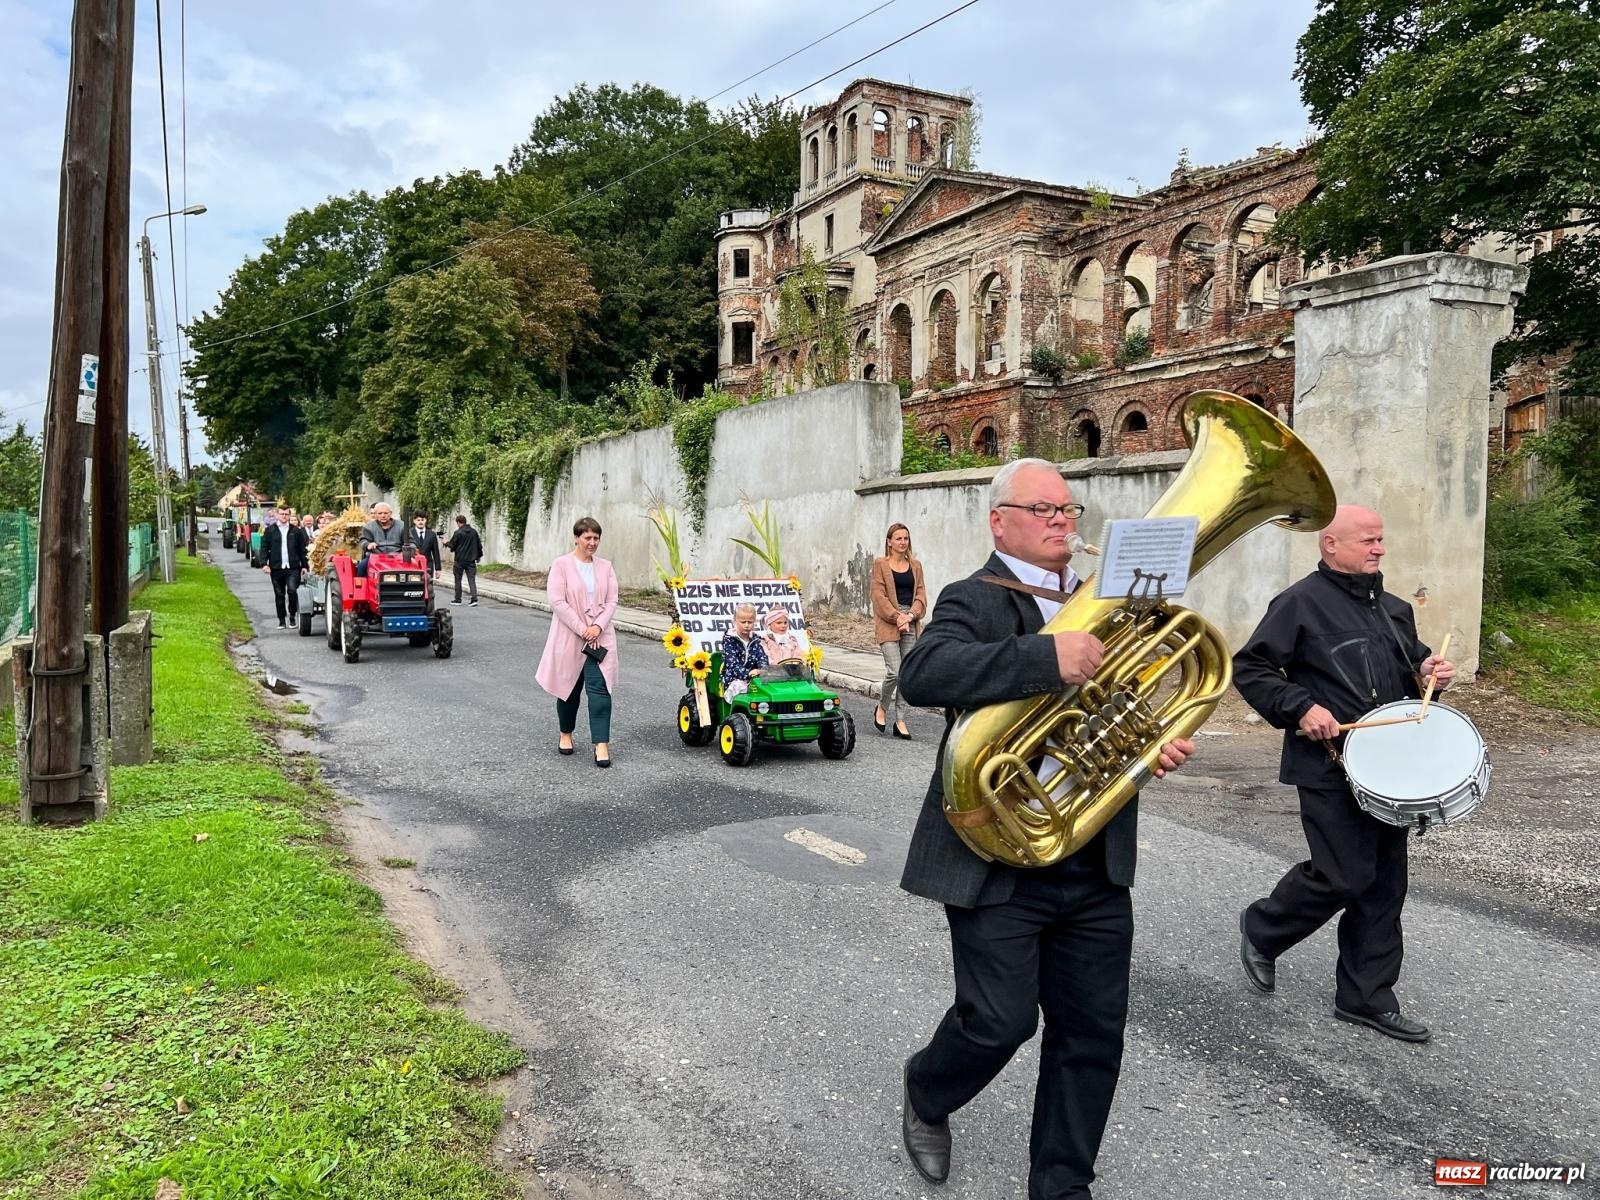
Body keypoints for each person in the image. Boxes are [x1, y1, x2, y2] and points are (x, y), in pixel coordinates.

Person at [896, 458, 1193, 1200]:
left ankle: (1062, 1186)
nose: (1062, 520)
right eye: (1044, 509)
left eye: (1068, 510)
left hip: (1091, 854)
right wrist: (1043, 656)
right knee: (997, 1023)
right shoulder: (974, 597)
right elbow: (923, 673)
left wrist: (1153, 743)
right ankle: (927, 1090)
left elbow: (1128, 708)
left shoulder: (1117, 603)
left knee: (1092, 1033)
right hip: (996, 855)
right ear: (1000, 523)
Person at [1233, 504, 1455, 1044]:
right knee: (1343, 875)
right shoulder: (1299, 603)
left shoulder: (1395, 608)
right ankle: (1263, 927)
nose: (1379, 548)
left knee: (1384, 883)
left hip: (1389, 767)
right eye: (1367, 540)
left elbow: (1410, 674)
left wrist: (1428, 672)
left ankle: (1365, 997)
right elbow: (1252, 668)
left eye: (1380, 539)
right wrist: (1301, 707)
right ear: (1330, 545)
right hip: (1327, 764)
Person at [535, 517, 618, 768]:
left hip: (600, 639)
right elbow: (557, 601)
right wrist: (583, 629)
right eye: (587, 538)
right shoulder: (561, 565)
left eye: (596, 538)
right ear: (576, 538)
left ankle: (601, 744)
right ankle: (565, 733)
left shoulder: (606, 567)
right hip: (570, 636)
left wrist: (597, 627)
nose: (592, 542)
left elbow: (612, 600)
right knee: (569, 689)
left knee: (600, 690)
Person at [871, 522, 927, 739]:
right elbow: (878, 596)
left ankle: (900, 719)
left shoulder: (916, 566)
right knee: (895, 671)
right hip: (888, 621)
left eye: (906, 538)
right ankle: (882, 707)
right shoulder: (880, 564)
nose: (903, 542)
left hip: (910, 620)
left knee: (906, 673)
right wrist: (897, 617)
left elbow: (921, 595)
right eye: (898, 538)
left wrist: (910, 616)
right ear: (889, 542)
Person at [259, 503, 309, 628]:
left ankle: (292, 616)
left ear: (290, 515)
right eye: (282, 514)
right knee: (279, 594)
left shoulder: (296, 531)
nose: (284, 516)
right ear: (277, 514)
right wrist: (264, 564)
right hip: (276, 567)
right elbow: (264, 548)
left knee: (292, 591)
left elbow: (302, 550)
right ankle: (281, 620)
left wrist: (304, 565)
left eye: (286, 514)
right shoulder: (270, 530)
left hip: (293, 567)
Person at [719, 604, 768, 699]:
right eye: (743, 622)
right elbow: (732, 664)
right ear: (734, 621)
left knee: (766, 687)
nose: (746, 625)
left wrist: (762, 670)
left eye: (750, 622)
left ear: (754, 622)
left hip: (753, 678)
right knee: (740, 687)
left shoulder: (756, 639)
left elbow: (762, 656)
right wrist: (747, 673)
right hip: (733, 679)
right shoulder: (729, 640)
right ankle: (738, 707)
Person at [356, 502, 410, 576]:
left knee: (413, 569)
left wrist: (406, 552)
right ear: (375, 514)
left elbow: (411, 542)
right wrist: (368, 544)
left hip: (398, 556)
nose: (383, 516)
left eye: (385, 513)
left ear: (390, 513)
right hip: (375, 556)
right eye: (380, 513)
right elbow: (363, 540)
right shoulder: (368, 527)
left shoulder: (402, 526)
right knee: (362, 566)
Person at [445, 514, 483, 606]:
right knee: (472, 580)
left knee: (458, 579)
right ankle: (474, 599)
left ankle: (458, 599)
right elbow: (478, 545)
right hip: (471, 560)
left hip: (459, 560)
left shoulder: (458, 533)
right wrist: (478, 556)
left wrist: (446, 543)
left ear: (458, 522)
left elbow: (452, 545)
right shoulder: (474, 532)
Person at [410, 510, 442, 577]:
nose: (420, 522)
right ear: (414, 521)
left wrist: (438, 569)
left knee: (428, 582)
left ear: (425, 520)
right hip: (413, 564)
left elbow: (436, 552)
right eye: (418, 520)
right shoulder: (409, 533)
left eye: (422, 520)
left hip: (428, 565)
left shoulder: (432, 534)